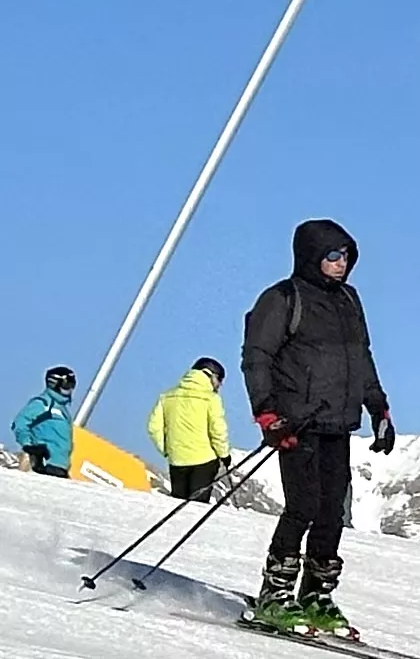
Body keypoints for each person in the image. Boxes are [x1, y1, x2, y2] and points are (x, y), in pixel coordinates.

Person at [240, 218, 395, 633]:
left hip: (337, 422)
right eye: (332, 255)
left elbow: (361, 358)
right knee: (303, 506)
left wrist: (378, 408)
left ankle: (316, 596)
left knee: (331, 513)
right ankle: (275, 595)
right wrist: (267, 414)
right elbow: (257, 358)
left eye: (346, 255)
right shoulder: (282, 299)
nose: (341, 263)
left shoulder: (349, 300)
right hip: (297, 422)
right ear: (311, 256)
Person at [147, 356, 234, 501]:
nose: (220, 385)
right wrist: (224, 454)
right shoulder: (211, 399)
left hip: (177, 460)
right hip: (204, 460)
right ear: (211, 375)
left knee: (178, 505)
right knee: (196, 508)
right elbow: (217, 430)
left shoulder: (166, 397)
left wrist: (167, 449)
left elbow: (153, 427)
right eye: (220, 380)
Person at [11, 365, 74, 476]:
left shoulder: (62, 409)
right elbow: (20, 423)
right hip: (45, 464)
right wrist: (30, 446)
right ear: (54, 384)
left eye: (72, 385)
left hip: (61, 465)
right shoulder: (43, 403)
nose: (70, 389)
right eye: (66, 385)